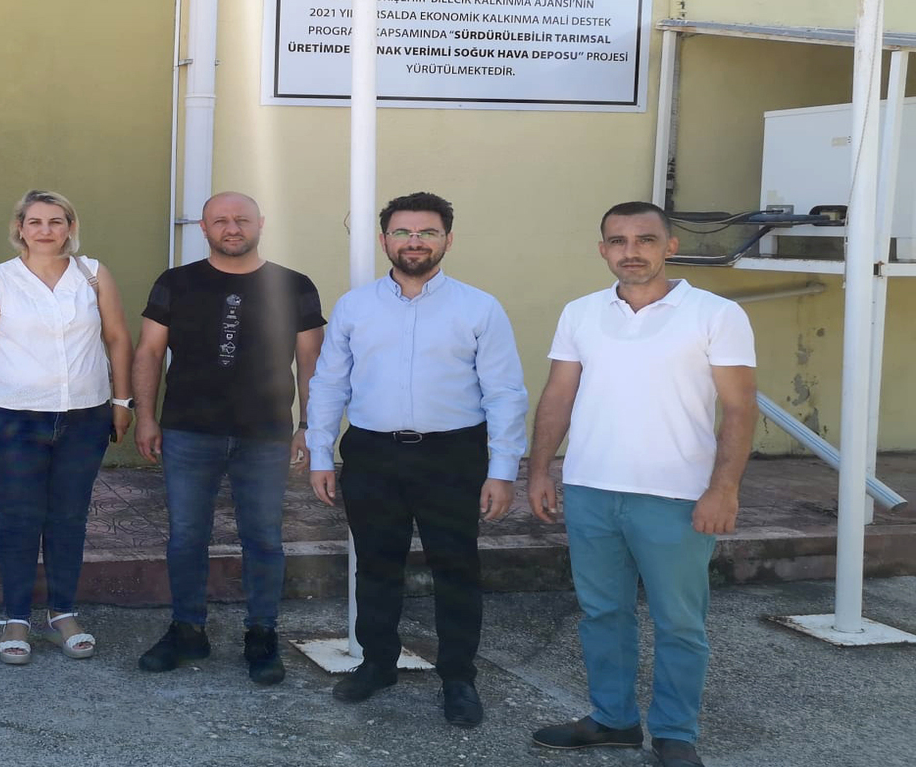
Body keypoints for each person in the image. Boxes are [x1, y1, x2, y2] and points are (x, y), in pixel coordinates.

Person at [527, 202, 757, 767]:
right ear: (602, 249)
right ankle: (613, 720)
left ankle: (676, 733)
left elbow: (739, 408)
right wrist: (539, 469)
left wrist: (724, 489)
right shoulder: (580, 312)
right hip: (591, 489)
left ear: (670, 246)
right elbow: (558, 395)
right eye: (618, 240)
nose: (631, 251)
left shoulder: (716, 313)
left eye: (645, 239)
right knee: (602, 614)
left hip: (676, 496)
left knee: (679, 622)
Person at [305, 191, 527, 728]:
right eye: (403, 232)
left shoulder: (479, 307)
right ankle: (377, 663)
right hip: (373, 453)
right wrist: (319, 454)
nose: (414, 242)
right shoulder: (355, 306)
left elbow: (504, 393)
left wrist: (503, 470)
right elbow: (329, 384)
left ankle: (458, 678)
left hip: (452, 455)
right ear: (385, 240)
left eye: (427, 232)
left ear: (448, 240)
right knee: (376, 565)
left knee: (456, 567)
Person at [133, 191, 325, 685]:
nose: (232, 228)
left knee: (263, 538)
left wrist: (310, 426)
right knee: (186, 537)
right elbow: (149, 352)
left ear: (261, 223)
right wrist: (146, 418)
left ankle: (262, 632)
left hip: (266, 435)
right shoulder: (175, 282)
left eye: (242, 219)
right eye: (221, 220)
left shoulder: (295, 285)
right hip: (187, 431)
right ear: (204, 228)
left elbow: (312, 362)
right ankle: (187, 630)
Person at [0, 190, 135, 664]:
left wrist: (122, 400)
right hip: (15, 418)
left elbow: (118, 337)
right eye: (34, 222)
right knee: (19, 518)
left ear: (70, 228)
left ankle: (63, 614)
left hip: (85, 416)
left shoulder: (92, 275)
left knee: (69, 517)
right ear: (20, 228)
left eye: (56, 221)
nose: (45, 230)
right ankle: (16, 617)